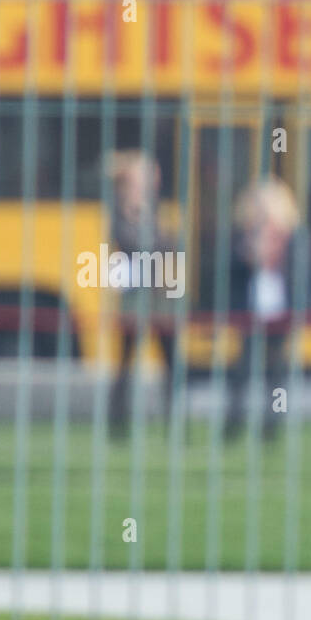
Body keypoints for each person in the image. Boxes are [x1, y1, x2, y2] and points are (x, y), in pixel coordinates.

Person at [224, 178, 311, 440]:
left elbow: (307, 274)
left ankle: (271, 426)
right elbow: (226, 273)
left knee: (276, 371)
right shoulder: (241, 235)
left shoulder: (295, 237)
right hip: (250, 311)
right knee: (242, 369)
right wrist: (246, 256)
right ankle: (233, 423)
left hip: (281, 311)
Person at [106, 150, 179, 434]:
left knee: (170, 362)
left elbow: (168, 245)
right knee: (126, 363)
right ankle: (118, 423)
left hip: (159, 297)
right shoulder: (120, 212)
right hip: (135, 297)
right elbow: (135, 245)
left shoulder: (152, 210)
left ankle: (173, 423)